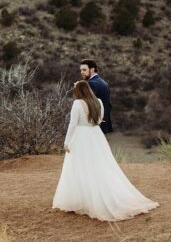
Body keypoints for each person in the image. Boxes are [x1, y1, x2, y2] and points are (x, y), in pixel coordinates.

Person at [52, 80, 158, 222]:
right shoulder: (99, 102)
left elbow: (72, 124)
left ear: (79, 90)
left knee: (79, 167)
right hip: (96, 136)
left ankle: (82, 200)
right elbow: (100, 119)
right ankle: (96, 198)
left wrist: (66, 142)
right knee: (99, 167)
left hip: (81, 137)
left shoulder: (77, 103)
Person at [80, 59, 112, 134]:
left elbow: (89, 106)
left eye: (84, 70)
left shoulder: (92, 83)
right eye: (81, 70)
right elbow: (109, 105)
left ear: (92, 69)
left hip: (95, 125)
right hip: (103, 124)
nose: (82, 72)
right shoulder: (103, 82)